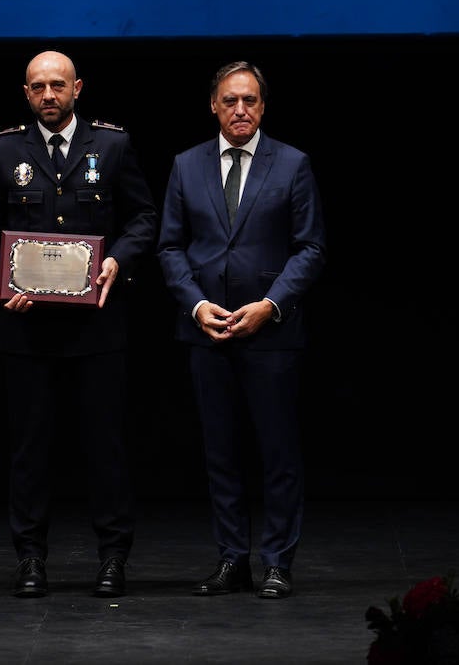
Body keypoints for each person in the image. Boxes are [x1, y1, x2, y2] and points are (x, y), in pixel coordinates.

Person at [0, 49, 159, 599]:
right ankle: (30, 559)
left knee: (106, 447)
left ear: (79, 88)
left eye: (57, 85)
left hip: (98, 330)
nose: (47, 95)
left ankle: (113, 558)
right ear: (25, 94)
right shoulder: (4, 149)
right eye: (36, 88)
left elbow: (144, 216)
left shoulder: (113, 144)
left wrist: (118, 260)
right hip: (26, 332)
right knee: (30, 450)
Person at [156, 61, 327, 600]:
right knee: (220, 453)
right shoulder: (186, 166)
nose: (240, 110)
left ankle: (277, 561)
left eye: (250, 100)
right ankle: (233, 559)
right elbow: (169, 246)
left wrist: (271, 304)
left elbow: (311, 247)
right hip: (208, 333)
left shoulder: (293, 164)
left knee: (277, 453)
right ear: (213, 104)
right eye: (230, 100)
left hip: (271, 334)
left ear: (263, 105)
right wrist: (195, 304)